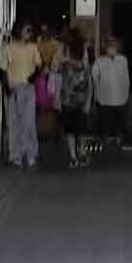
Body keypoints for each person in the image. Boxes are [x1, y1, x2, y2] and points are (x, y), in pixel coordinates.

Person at [0, 21, 41, 169]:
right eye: (26, 30)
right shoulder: (9, 48)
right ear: (19, 31)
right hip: (14, 89)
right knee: (14, 123)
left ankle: (30, 154)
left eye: (30, 30)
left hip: (28, 88)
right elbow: (3, 69)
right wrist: (7, 87)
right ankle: (15, 155)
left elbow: (38, 65)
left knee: (29, 122)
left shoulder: (33, 48)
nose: (29, 33)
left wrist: (33, 77)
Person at [53, 37, 93, 168]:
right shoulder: (68, 65)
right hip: (72, 102)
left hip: (74, 102)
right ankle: (77, 155)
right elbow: (55, 68)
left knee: (76, 130)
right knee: (75, 130)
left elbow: (89, 84)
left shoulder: (80, 66)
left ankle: (77, 155)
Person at [91, 35, 130, 154]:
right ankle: (106, 140)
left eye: (113, 47)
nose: (111, 49)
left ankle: (118, 139)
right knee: (105, 121)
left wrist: (126, 92)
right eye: (109, 47)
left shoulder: (122, 60)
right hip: (104, 98)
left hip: (120, 98)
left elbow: (125, 78)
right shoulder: (100, 61)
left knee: (119, 120)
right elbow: (94, 76)